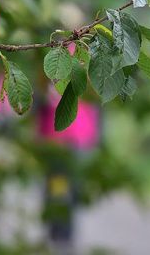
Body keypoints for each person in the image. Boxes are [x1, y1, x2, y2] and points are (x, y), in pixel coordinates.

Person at [36, 88, 100, 254]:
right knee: (58, 189)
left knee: (70, 190)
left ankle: (64, 233)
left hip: (78, 143)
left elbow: (96, 111)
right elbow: (41, 110)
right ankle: (56, 231)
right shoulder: (50, 78)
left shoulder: (86, 81)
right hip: (56, 143)